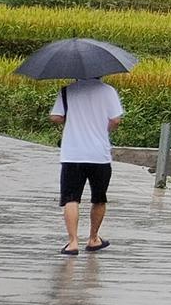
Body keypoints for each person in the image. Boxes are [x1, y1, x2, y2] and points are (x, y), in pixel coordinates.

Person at [50, 76, 123, 256]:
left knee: (70, 198)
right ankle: (93, 238)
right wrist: (102, 129)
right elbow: (115, 120)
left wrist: (68, 118)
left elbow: (56, 117)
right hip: (99, 155)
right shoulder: (108, 91)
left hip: (72, 154)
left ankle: (73, 242)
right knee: (99, 198)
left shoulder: (67, 91)